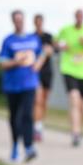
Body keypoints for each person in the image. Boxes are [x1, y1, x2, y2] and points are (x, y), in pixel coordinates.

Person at [0, 10, 47, 162]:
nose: (19, 22)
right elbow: (2, 63)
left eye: (21, 19)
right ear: (13, 21)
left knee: (27, 114)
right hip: (12, 85)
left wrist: (39, 63)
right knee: (14, 117)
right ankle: (14, 145)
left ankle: (28, 147)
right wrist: (16, 62)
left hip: (29, 83)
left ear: (24, 21)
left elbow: (42, 53)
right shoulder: (8, 41)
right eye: (16, 20)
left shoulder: (33, 39)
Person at [56, 9, 83, 147]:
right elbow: (56, 43)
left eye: (82, 16)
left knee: (82, 105)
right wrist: (62, 46)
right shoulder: (66, 30)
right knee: (74, 99)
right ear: (75, 17)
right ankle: (75, 133)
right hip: (69, 68)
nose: (80, 18)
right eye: (78, 16)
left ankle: (79, 128)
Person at [32, 14, 56, 142]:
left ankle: (40, 124)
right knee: (38, 99)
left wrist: (48, 51)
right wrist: (43, 52)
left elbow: (52, 50)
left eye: (40, 22)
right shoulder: (31, 37)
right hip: (35, 72)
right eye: (37, 22)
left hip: (47, 71)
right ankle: (36, 127)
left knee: (44, 101)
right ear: (34, 23)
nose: (39, 24)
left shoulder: (48, 37)